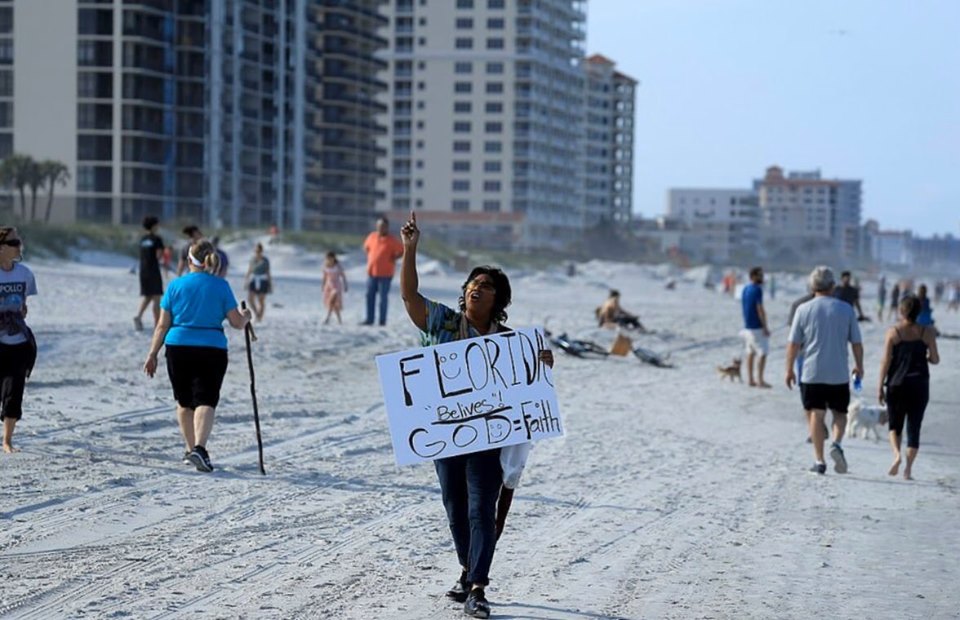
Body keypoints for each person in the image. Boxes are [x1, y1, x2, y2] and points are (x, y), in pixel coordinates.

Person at [398, 211, 552, 619]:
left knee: (481, 507)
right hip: (446, 434)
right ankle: (468, 569)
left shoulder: (508, 342)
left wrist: (541, 364)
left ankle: (478, 586)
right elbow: (410, 298)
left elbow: (528, 385)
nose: (477, 290)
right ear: (464, 291)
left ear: (498, 300)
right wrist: (410, 250)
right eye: (473, 285)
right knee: (455, 506)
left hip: (489, 437)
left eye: (487, 287)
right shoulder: (444, 324)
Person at [142, 239, 251, 472]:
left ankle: (190, 449)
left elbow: (162, 326)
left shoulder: (175, 286)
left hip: (177, 347)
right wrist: (246, 316)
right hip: (211, 348)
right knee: (206, 399)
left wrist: (152, 353)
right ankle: (199, 449)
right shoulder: (220, 286)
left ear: (189, 259)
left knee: (184, 401)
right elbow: (236, 323)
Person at [786, 266, 864, 475]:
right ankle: (836, 444)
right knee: (840, 414)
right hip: (838, 373)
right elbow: (856, 342)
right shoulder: (846, 309)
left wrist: (789, 370)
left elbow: (793, 344)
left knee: (816, 415)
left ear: (812, 286)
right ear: (833, 286)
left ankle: (819, 461)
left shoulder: (803, 309)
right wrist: (859, 365)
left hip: (812, 373)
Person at [878, 295, 939, 480]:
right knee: (914, 427)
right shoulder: (927, 332)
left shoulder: (893, 332)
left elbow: (885, 361)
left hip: (896, 384)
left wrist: (879, 386)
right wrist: (925, 358)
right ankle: (908, 470)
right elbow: (935, 359)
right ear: (919, 312)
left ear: (901, 311)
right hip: (919, 385)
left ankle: (896, 455)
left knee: (895, 425)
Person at [0, 227, 37, 454]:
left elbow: (24, 305)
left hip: (18, 341)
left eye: (19, 241)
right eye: (15, 242)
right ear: (2, 247)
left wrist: (21, 311)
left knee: (15, 391)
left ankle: (7, 440)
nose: (19, 246)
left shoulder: (25, 273)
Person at [362, 216, 404, 326]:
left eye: (383, 226)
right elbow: (366, 248)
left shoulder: (392, 240)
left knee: (383, 298)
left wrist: (394, 258)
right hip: (372, 272)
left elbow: (402, 251)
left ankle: (382, 320)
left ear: (387, 227)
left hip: (385, 274)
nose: (381, 228)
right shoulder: (372, 236)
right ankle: (369, 319)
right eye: (379, 226)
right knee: (369, 296)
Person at [133, 215, 165, 331]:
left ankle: (138, 316)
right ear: (154, 226)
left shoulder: (143, 239)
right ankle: (157, 324)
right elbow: (159, 255)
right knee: (157, 297)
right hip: (153, 270)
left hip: (143, 271)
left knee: (148, 296)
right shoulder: (157, 239)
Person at [741, 266, 771, 388]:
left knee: (750, 352)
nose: (762, 278)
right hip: (757, 326)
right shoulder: (757, 289)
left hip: (747, 326)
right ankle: (760, 380)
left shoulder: (745, 288)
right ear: (753, 276)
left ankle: (750, 379)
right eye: (760, 275)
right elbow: (760, 309)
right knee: (762, 353)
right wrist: (765, 327)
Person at [244, 242, 272, 322]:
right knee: (250, 299)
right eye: (256, 250)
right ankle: (257, 314)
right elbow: (249, 270)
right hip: (254, 279)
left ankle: (260, 317)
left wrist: (270, 284)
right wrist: (246, 280)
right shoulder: (252, 259)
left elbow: (268, 272)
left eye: (259, 251)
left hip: (263, 280)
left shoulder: (265, 260)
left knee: (261, 300)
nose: (257, 252)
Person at [322, 251, 348, 325]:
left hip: (336, 285)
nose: (329, 259)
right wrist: (323, 285)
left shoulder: (338, 266)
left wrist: (346, 285)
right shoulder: (325, 265)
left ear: (334, 258)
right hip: (329, 285)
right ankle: (339, 320)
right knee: (333, 304)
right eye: (328, 258)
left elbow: (343, 276)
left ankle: (327, 318)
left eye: (330, 258)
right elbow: (324, 276)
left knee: (332, 301)